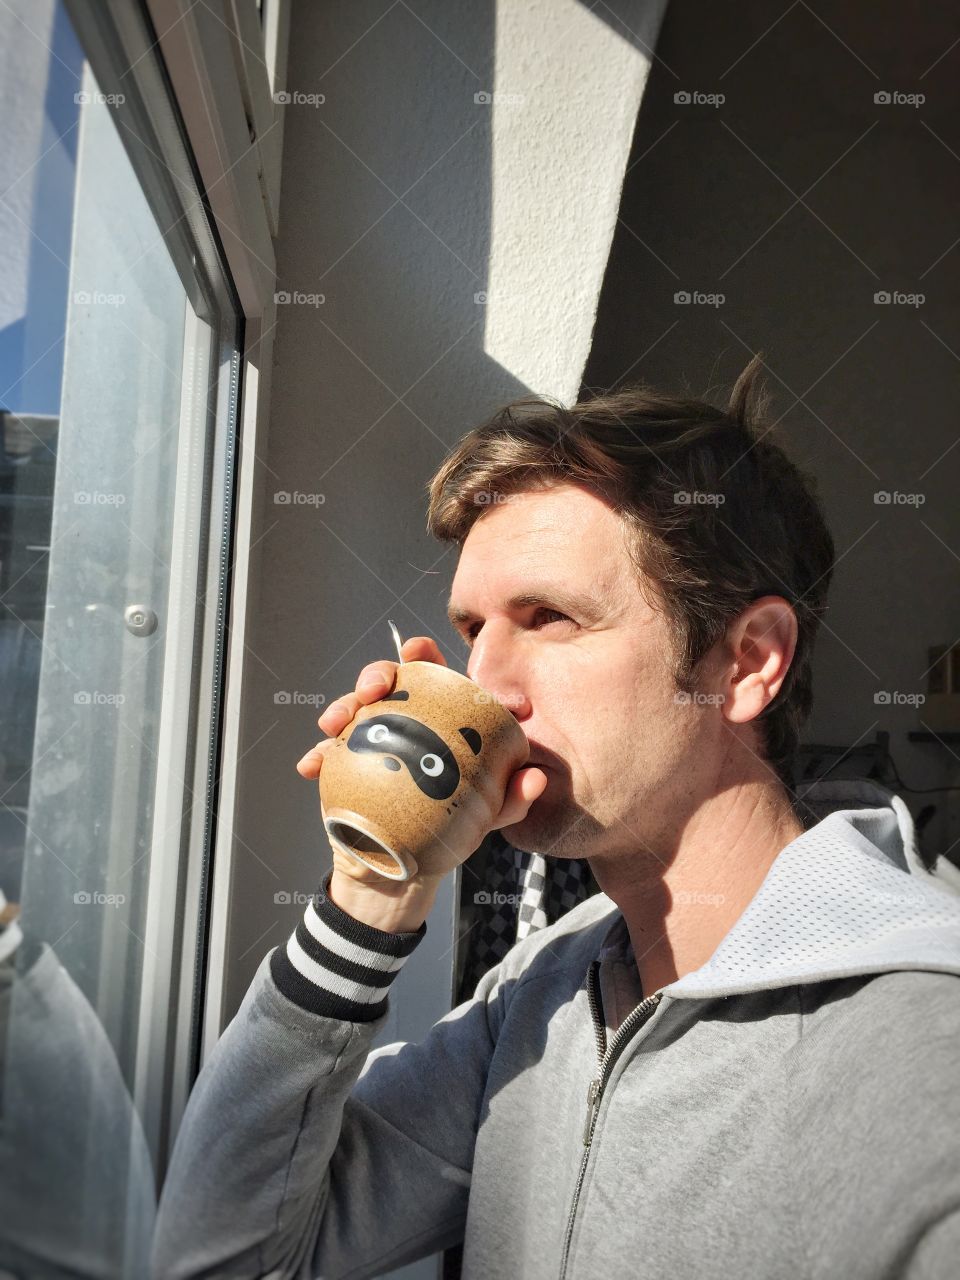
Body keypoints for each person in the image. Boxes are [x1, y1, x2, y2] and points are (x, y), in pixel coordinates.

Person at [151, 355, 960, 1279]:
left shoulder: (919, 1042)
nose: (483, 685)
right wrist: (375, 890)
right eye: (471, 631)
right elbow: (223, 1260)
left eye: (551, 618)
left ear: (745, 664)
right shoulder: (538, 997)